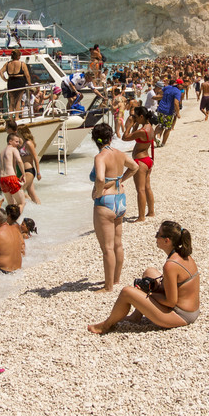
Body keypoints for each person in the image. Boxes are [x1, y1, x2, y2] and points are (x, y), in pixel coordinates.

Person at [88, 220, 200, 334]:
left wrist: (148, 293)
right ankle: (135, 316)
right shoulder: (183, 255)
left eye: (158, 235)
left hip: (180, 314)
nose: (156, 238)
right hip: (189, 309)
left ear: (167, 241)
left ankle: (106, 326)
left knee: (127, 292)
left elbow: (171, 302)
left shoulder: (170, 265)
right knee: (149, 272)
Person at [91, 123, 138, 291]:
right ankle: (116, 279)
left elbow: (101, 178)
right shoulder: (119, 153)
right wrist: (121, 180)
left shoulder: (100, 157)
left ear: (94, 140)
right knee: (118, 244)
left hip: (105, 202)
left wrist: (97, 192)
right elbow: (135, 167)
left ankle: (108, 286)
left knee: (107, 248)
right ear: (111, 138)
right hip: (120, 199)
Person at [122, 106, 157, 221]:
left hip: (140, 161)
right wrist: (136, 123)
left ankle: (141, 217)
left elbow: (125, 137)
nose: (135, 119)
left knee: (140, 190)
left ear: (141, 116)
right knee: (147, 187)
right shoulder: (149, 128)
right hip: (147, 159)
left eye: (136, 117)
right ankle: (151, 212)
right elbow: (134, 135)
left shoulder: (142, 131)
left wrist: (130, 124)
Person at [0, 132, 26, 208]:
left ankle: (7, 219)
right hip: (10, 178)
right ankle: (15, 220)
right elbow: (19, 161)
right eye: (16, 141)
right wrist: (23, 174)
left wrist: (6, 180)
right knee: (22, 203)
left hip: (2, 180)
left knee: (11, 205)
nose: (18, 144)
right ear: (10, 141)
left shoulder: (1, 153)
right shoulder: (13, 149)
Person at [0, 49, 32, 115]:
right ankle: (17, 117)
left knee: (11, 101)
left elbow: (0, 72)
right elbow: (27, 75)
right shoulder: (22, 64)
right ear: (18, 56)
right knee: (18, 100)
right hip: (19, 81)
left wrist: (5, 79)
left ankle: (11, 117)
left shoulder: (8, 64)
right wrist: (29, 84)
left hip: (11, 82)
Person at [16, 126, 42, 205]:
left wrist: (38, 173)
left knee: (18, 190)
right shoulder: (22, 143)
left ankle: (25, 204)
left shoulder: (28, 143)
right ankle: (38, 207)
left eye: (18, 131)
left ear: (22, 132)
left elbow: (35, 158)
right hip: (24, 171)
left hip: (29, 170)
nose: (16, 133)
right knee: (31, 193)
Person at [155, 79, 183, 147]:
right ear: (179, 85)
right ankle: (163, 143)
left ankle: (158, 137)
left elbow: (160, 92)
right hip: (168, 111)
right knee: (168, 128)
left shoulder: (168, 87)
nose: (182, 86)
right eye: (182, 84)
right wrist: (178, 113)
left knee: (161, 125)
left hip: (160, 108)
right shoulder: (177, 92)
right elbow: (176, 103)